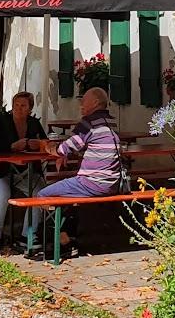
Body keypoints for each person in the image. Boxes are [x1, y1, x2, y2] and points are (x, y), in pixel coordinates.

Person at [29, 86, 122, 257]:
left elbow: (62, 149)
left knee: (42, 195)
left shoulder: (89, 123)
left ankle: (59, 240)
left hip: (92, 183)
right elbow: (86, 145)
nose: (81, 104)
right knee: (67, 201)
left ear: (95, 103)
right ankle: (68, 235)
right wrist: (68, 151)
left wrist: (46, 146)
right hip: (113, 184)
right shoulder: (110, 122)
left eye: (84, 100)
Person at [0, 91, 47, 253]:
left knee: (40, 192)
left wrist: (36, 144)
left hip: (27, 171)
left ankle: (28, 236)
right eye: (16, 105)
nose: (19, 109)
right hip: (2, 171)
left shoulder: (33, 123)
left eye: (23, 106)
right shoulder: (4, 122)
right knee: (2, 193)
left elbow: (44, 142)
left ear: (30, 108)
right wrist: (11, 147)